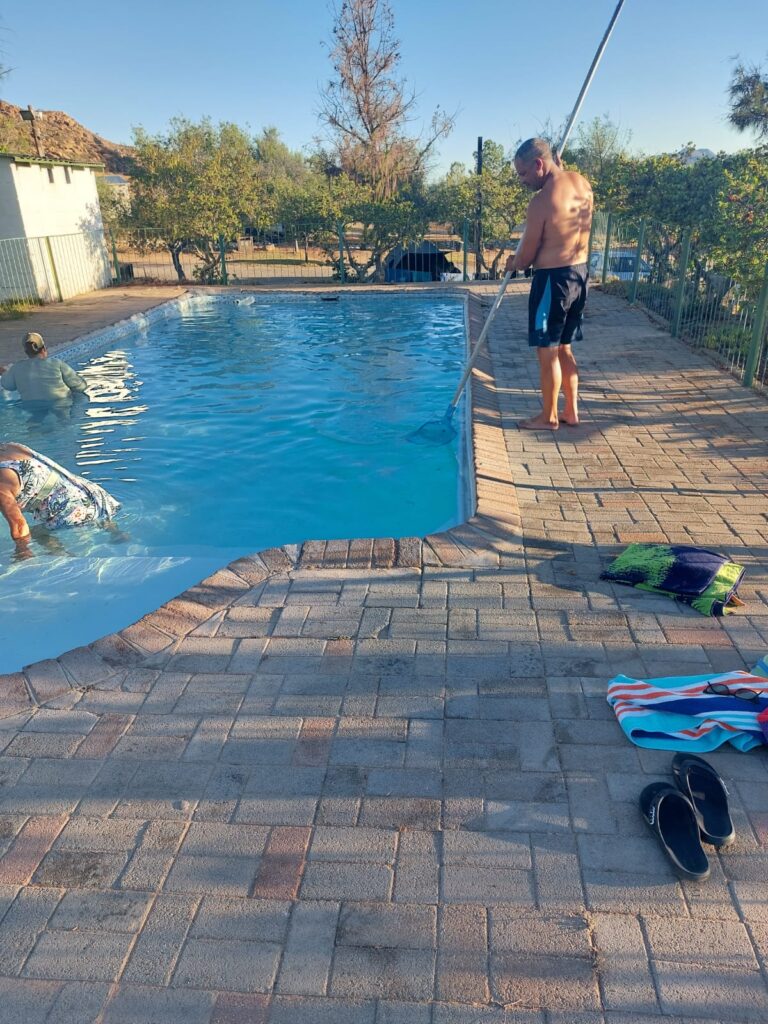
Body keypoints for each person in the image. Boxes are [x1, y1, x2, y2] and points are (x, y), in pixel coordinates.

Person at [505, 138, 593, 429]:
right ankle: (571, 411)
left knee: (547, 353)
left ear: (539, 164)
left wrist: (513, 262)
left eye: (523, 173)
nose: (522, 180)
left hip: (552, 284)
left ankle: (549, 416)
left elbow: (526, 257)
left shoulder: (541, 203)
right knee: (565, 348)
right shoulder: (581, 183)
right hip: (579, 276)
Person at [0, 442, 120, 557]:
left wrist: (22, 551)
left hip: (76, 510)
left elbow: (19, 526)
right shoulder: (10, 447)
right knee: (105, 521)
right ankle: (117, 533)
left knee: (36, 533)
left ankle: (62, 555)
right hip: (94, 495)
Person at [0, 332, 88, 403]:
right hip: (60, 404)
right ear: (44, 349)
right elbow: (80, 386)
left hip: (32, 407)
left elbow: (7, 385)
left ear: (26, 352)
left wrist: (4, 372)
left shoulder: (17, 368)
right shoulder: (56, 364)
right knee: (79, 396)